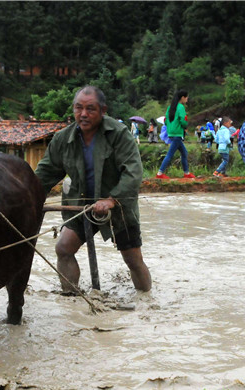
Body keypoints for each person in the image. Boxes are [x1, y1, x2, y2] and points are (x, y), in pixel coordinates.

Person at [34, 85, 152, 293]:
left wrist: (111, 200)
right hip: (80, 205)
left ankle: (146, 300)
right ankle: (71, 297)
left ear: (103, 110)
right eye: (78, 108)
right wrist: (29, 197)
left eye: (90, 109)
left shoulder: (119, 134)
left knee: (133, 259)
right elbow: (44, 174)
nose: (83, 114)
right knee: (63, 249)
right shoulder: (63, 139)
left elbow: (133, 172)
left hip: (118, 207)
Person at [157, 90, 195, 179]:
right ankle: (160, 173)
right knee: (170, 154)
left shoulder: (170, 107)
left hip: (171, 133)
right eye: (186, 97)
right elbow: (183, 120)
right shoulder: (181, 107)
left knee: (184, 152)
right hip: (177, 134)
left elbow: (166, 121)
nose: (187, 99)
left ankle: (186, 173)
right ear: (182, 97)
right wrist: (185, 125)